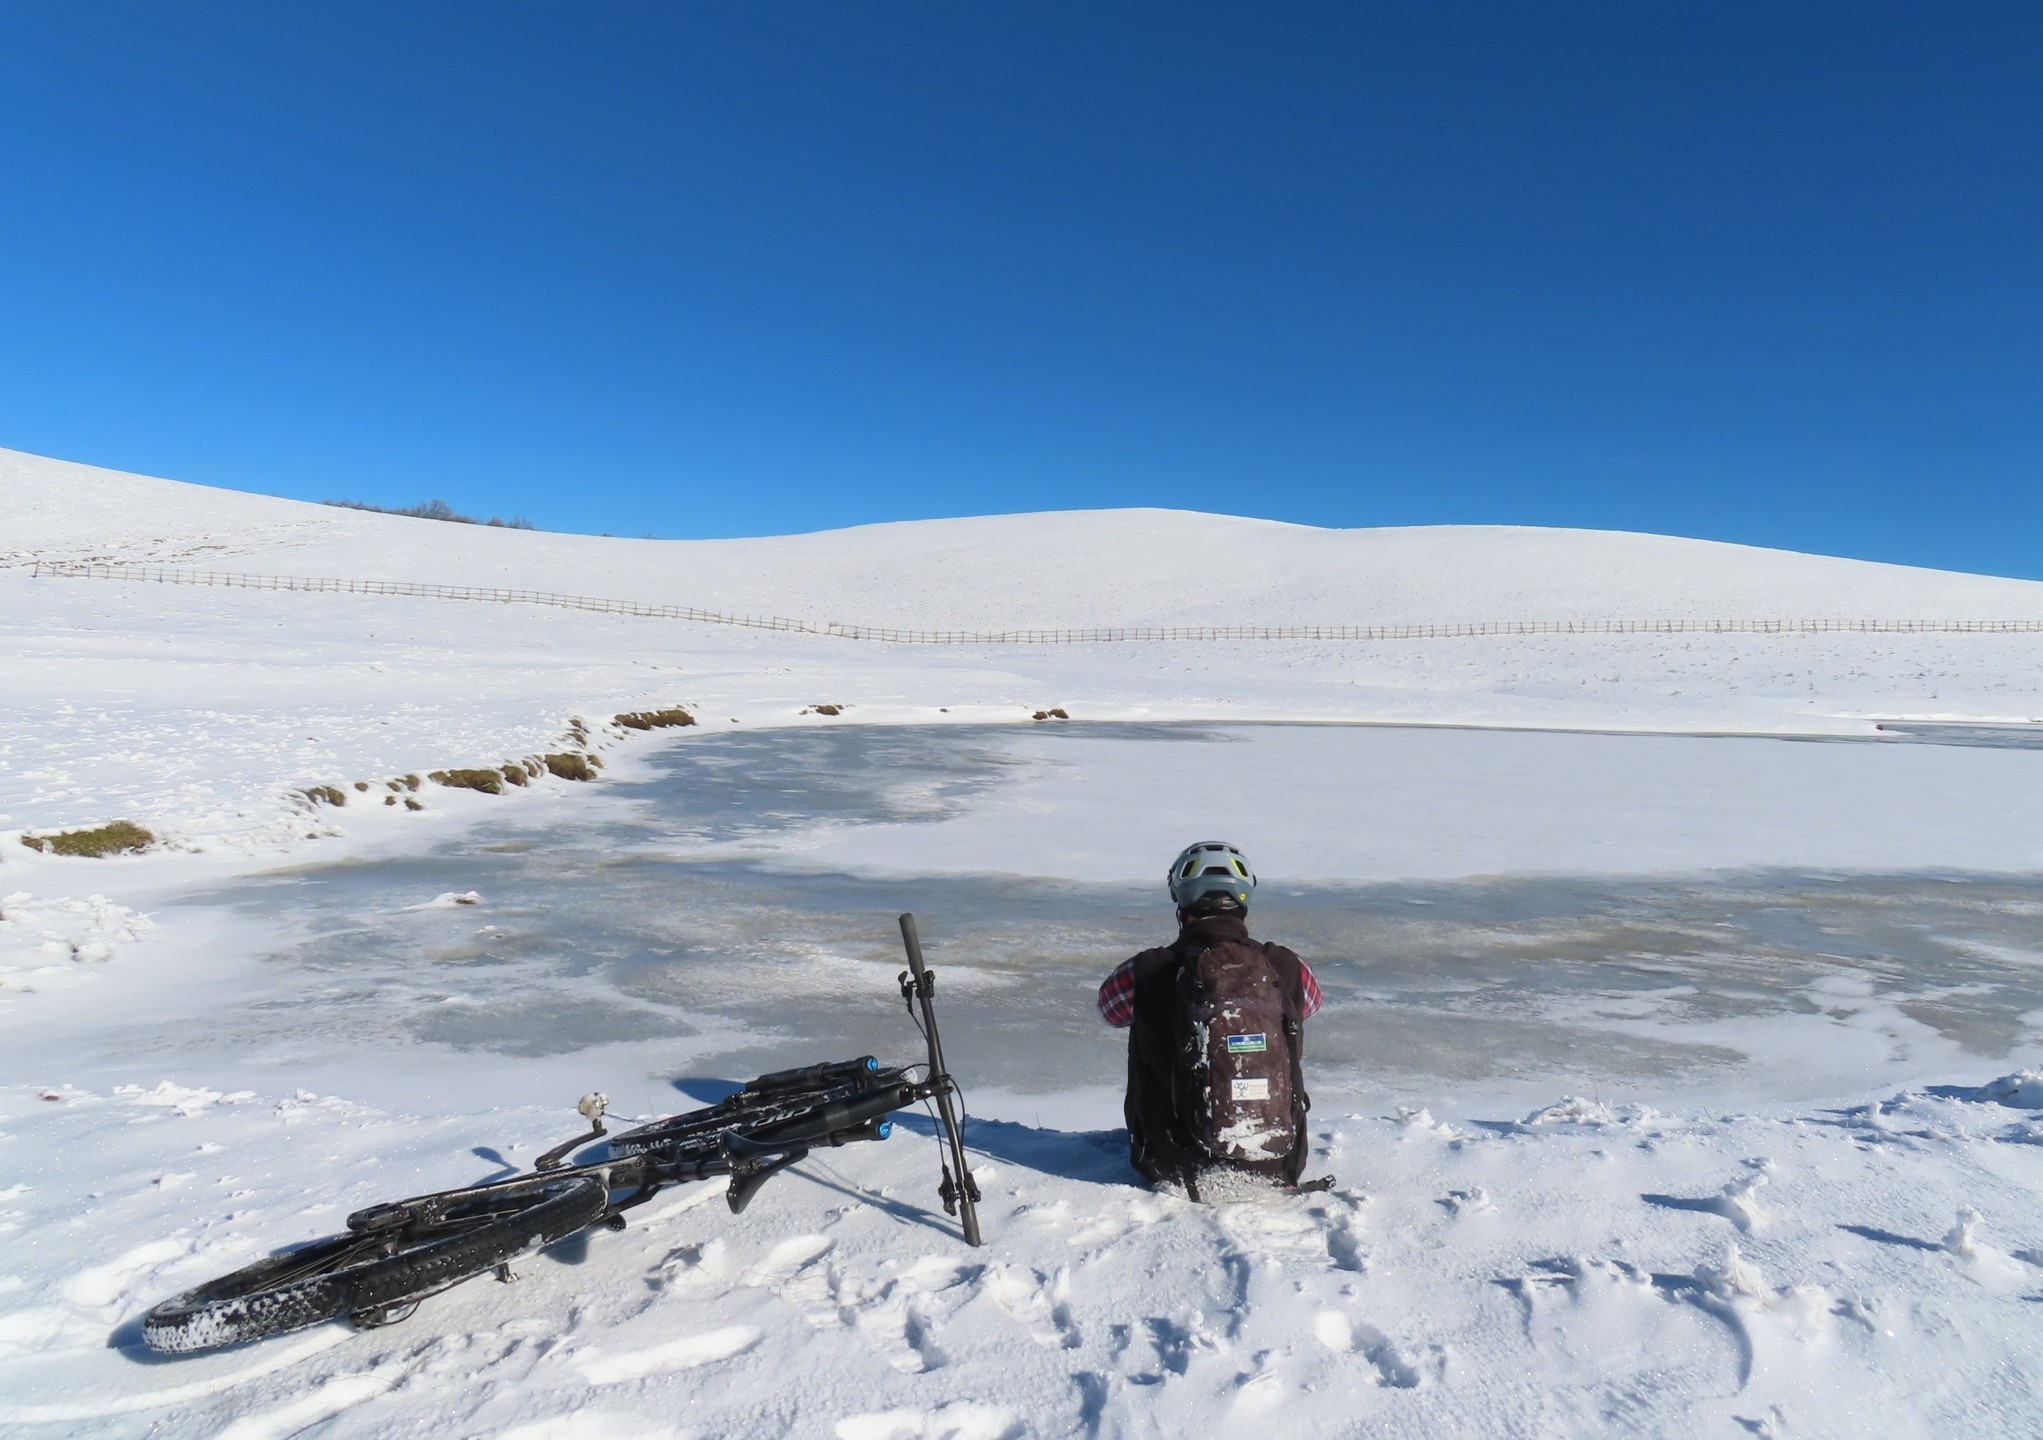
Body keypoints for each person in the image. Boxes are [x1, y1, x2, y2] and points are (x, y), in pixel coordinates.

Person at [1097, 841, 1322, 1193]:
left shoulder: (1147, 970)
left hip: (1172, 1164)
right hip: (1277, 1162)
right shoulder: (1287, 966)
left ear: (1181, 903)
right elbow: (1311, 1005)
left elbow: (1108, 1011)